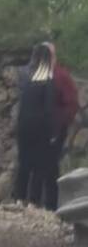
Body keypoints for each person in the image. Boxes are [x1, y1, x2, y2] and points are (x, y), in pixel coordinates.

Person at [14, 43, 60, 207]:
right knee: (39, 164)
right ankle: (33, 199)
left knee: (24, 162)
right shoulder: (47, 79)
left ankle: (19, 197)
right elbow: (48, 109)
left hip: (23, 125)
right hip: (40, 127)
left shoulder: (25, 75)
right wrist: (53, 132)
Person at [45, 42, 79, 210]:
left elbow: (72, 102)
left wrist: (61, 123)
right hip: (40, 129)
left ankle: (51, 205)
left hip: (56, 129)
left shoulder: (61, 76)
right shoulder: (38, 76)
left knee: (51, 166)